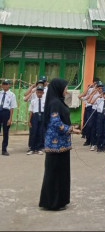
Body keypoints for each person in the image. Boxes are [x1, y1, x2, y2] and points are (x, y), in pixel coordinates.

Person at [39, 78, 80, 211]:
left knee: (60, 173)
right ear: (58, 88)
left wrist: (71, 127)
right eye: (65, 88)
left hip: (62, 145)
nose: (67, 91)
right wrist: (71, 129)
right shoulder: (55, 103)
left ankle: (59, 201)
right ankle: (52, 203)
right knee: (54, 174)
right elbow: (55, 123)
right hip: (56, 146)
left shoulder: (57, 102)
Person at [27, 85, 46, 155]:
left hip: (43, 116)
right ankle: (32, 148)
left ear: (43, 93)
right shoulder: (33, 101)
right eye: (38, 92)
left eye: (41, 92)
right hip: (35, 116)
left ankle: (39, 148)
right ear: (36, 93)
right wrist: (29, 121)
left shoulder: (45, 101)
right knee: (33, 132)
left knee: (41, 132)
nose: (39, 94)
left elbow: (47, 111)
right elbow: (31, 111)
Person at [0, 79, 17, 156]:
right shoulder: (0, 93)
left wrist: (10, 118)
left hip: (6, 113)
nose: (5, 85)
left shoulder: (12, 95)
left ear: (9, 85)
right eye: (3, 84)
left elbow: (12, 108)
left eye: (6, 84)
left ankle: (4, 150)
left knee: (5, 132)